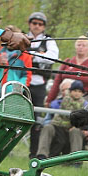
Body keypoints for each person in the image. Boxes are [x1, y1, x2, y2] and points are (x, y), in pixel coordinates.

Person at [26, 11, 59, 157]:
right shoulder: (22, 37)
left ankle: (33, 152)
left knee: (37, 119)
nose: (37, 26)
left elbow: (52, 58)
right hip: (22, 81)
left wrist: (32, 55)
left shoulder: (49, 40)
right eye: (34, 23)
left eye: (40, 24)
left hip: (39, 84)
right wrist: (39, 54)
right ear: (29, 24)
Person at [36, 80, 87, 158]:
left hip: (74, 127)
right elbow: (62, 116)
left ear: (82, 93)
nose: (77, 93)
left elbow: (85, 120)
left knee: (75, 131)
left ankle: (76, 159)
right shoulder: (64, 100)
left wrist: (77, 125)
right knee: (47, 127)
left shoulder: (85, 105)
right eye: (75, 91)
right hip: (58, 125)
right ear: (70, 91)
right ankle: (42, 155)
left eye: (80, 91)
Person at [45, 36, 88, 104]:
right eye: (78, 45)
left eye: (84, 45)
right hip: (62, 99)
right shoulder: (67, 62)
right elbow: (56, 83)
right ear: (75, 47)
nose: (81, 47)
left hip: (83, 100)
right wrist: (49, 100)